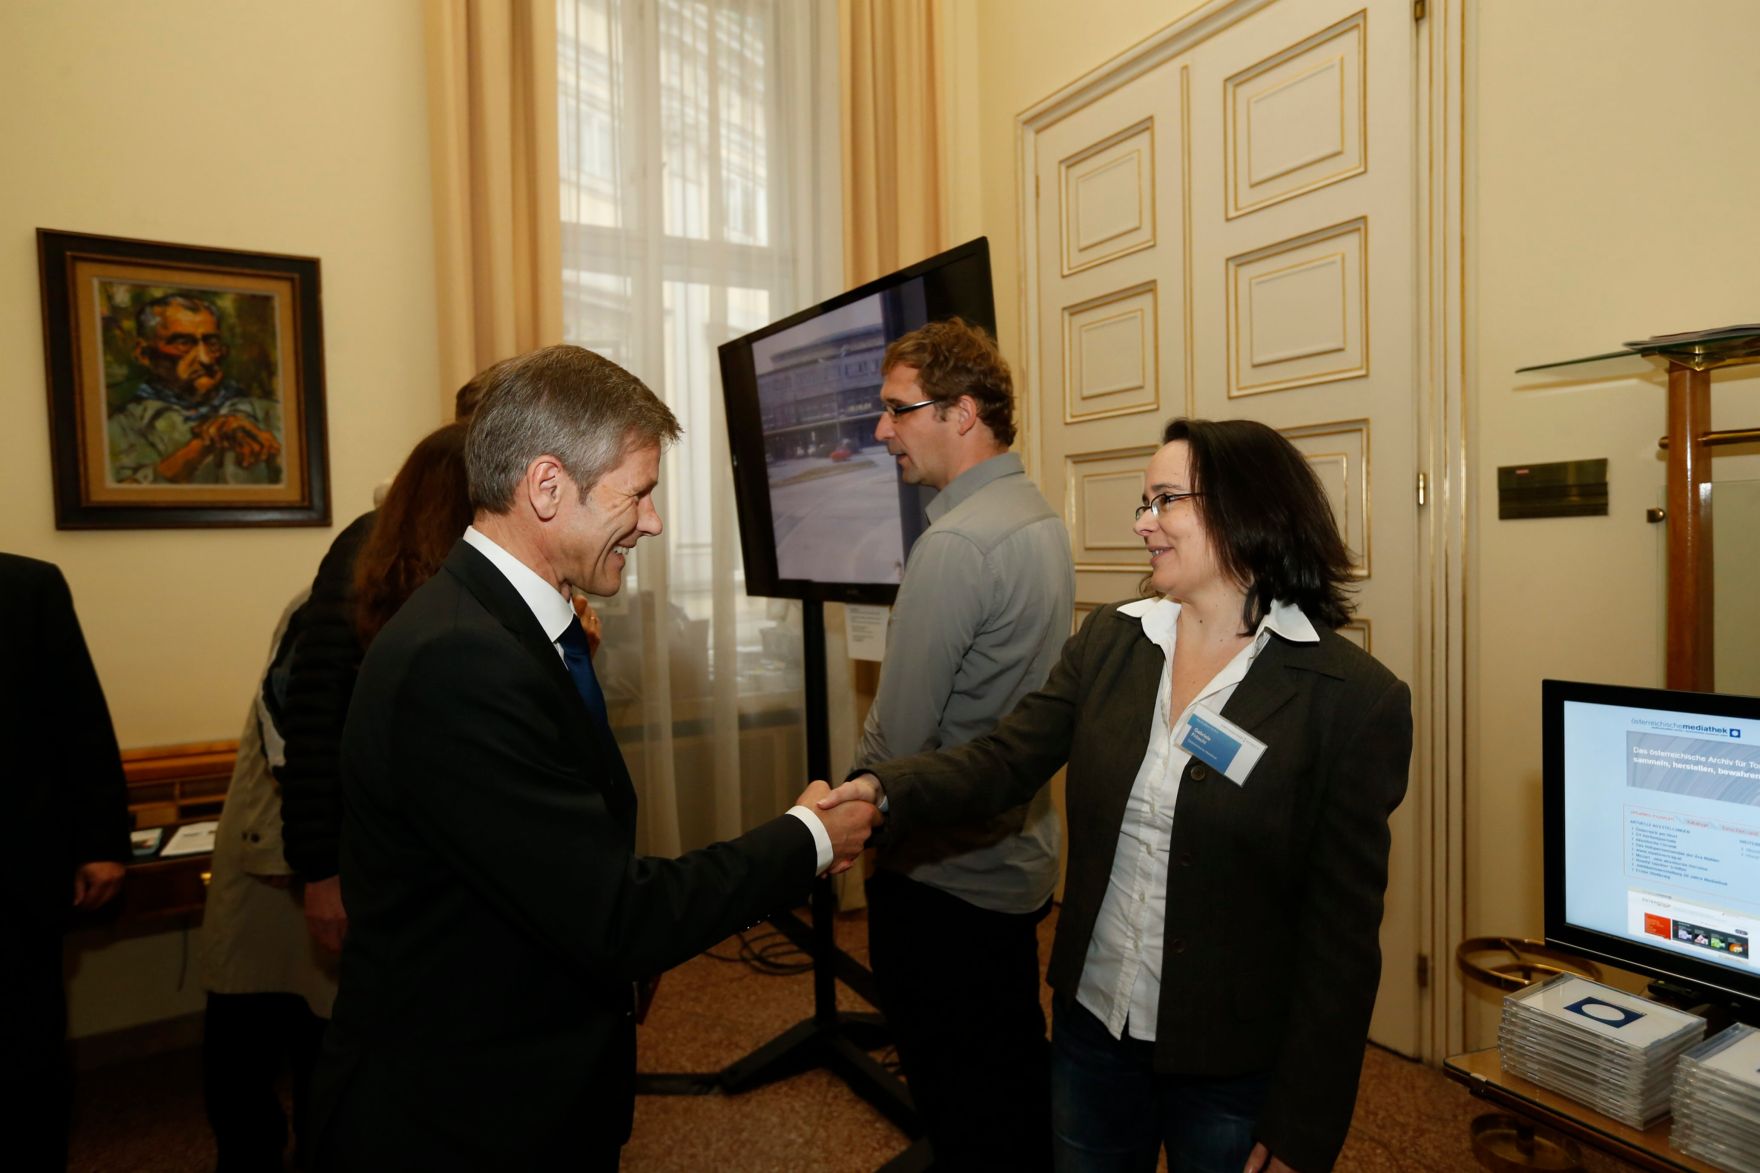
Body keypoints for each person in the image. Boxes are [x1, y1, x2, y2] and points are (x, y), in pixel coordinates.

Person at [311, 344, 882, 1170]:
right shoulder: (461, 659)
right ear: (547, 487)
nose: (652, 521)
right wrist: (812, 837)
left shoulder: (498, 623)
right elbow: (615, 915)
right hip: (464, 1118)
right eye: (640, 492)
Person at [822, 417, 1414, 1173]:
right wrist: (879, 789)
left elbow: (1343, 942)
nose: (1142, 522)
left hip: (1231, 1063)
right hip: (1091, 1031)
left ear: (1246, 507)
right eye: (1143, 501)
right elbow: (1004, 759)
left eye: (1164, 500)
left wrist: (1305, 1122)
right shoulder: (1113, 642)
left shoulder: (1350, 701)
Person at [201, 422, 477, 1171]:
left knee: (330, 1034)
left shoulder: (439, 581)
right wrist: (321, 867)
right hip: (282, 838)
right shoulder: (361, 567)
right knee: (258, 1025)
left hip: (338, 838)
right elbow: (301, 723)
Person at [858, 318, 1073, 1169]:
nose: (882, 432)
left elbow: (899, 737)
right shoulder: (1040, 519)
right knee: (1011, 1080)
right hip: (1012, 870)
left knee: (961, 1098)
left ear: (962, 412)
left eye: (897, 410)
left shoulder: (952, 544)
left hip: (939, 879)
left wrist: (847, 804)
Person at [280, 379, 489, 958]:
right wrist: (321, 871)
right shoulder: (368, 545)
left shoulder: (486, 551)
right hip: (381, 841)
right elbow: (315, 711)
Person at [0, 553, 131, 1170]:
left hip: (16, 878)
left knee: (26, 1060)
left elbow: (79, 718)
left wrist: (102, 842)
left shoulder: (27, 587)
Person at [107, 294, 283, 485]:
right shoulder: (123, 427)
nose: (205, 359)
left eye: (212, 343)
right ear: (144, 354)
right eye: (183, 343)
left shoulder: (270, 413)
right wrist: (203, 444)